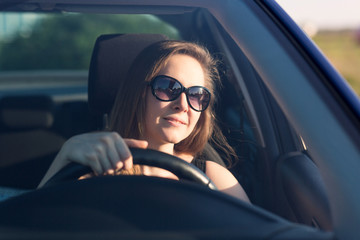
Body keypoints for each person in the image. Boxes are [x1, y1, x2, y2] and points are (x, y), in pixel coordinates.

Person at [38, 40, 250, 203]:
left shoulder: (213, 176)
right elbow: (28, 228)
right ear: (138, 93)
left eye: (196, 94)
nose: (183, 104)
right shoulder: (91, 171)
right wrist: (64, 157)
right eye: (168, 88)